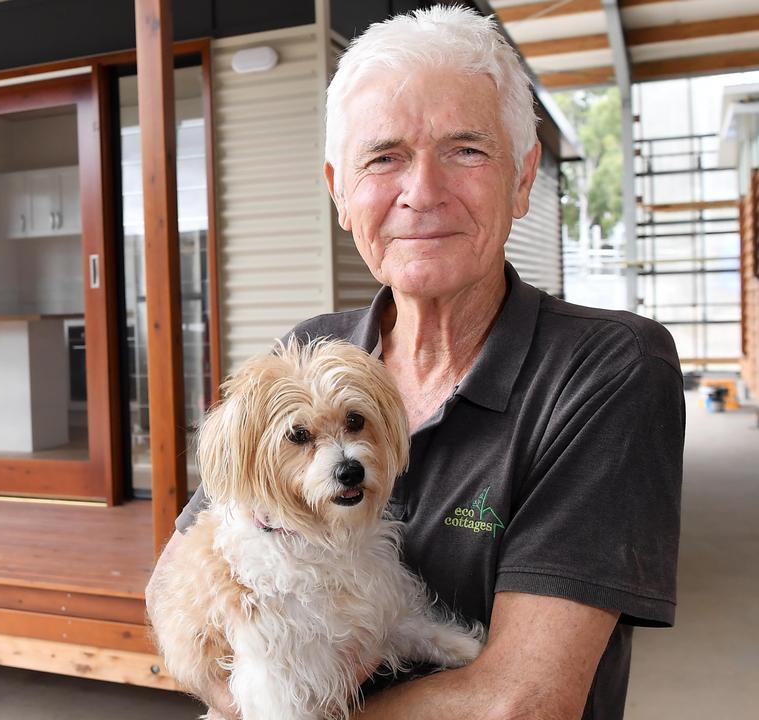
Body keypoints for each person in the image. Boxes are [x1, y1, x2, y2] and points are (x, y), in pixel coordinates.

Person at [154, 6, 684, 720]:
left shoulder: (606, 368)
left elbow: (521, 703)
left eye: (466, 150)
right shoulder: (311, 348)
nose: (421, 191)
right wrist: (250, 691)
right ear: (340, 191)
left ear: (523, 179)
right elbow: (172, 579)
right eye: (384, 156)